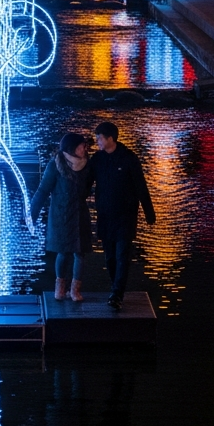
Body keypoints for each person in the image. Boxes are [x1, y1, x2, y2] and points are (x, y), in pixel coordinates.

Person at [87, 122, 155, 309]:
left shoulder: (129, 158)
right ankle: (114, 287)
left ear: (110, 138)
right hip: (105, 216)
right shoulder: (97, 160)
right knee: (109, 257)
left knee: (122, 255)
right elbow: (86, 183)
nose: (97, 141)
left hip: (125, 216)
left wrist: (149, 213)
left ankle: (117, 293)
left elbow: (141, 186)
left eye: (99, 138)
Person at [30, 133, 93, 303]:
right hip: (61, 215)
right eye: (80, 146)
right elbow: (43, 190)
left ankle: (75, 290)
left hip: (79, 213)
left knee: (80, 253)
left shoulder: (87, 165)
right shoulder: (56, 164)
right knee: (63, 252)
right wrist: (32, 214)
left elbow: (88, 188)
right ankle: (60, 288)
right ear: (71, 148)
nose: (84, 149)